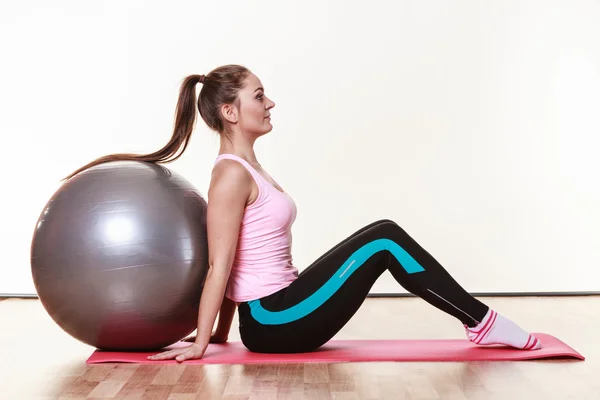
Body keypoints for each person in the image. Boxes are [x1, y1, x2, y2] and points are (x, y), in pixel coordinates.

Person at [65, 65, 541, 363]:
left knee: (382, 237)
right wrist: (204, 342)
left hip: (281, 309)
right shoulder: (230, 175)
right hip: (275, 320)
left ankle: (480, 322)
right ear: (230, 112)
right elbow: (220, 264)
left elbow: (240, 263)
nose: (269, 103)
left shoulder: (249, 166)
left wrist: (223, 337)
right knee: (385, 238)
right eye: (259, 95)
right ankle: (481, 322)